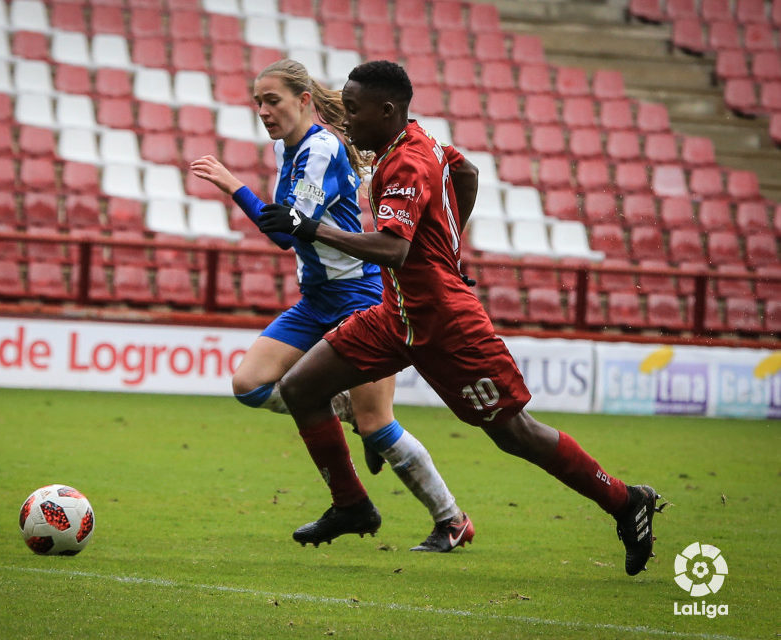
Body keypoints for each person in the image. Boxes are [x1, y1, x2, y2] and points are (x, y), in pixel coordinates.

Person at [256, 60, 661, 575]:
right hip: (396, 315)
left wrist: (309, 227)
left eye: (354, 111)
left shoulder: (404, 162)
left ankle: (627, 502)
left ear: (387, 111)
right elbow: (466, 172)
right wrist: (450, 248)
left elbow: (392, 250)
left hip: (447, 325)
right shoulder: (419, 140)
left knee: (517, 435)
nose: (347, 121)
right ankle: (352, 505)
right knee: (300, 388)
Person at [190, 59, 473, 552]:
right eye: (257, 102)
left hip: (359, 299)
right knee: (249, 384)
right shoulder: (291, 148)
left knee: (378, 424)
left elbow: (287, 229)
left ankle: (451, 519)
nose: (263, 111)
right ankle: (349, 464)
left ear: (303, 100)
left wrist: (232, 185)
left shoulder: (319, 148)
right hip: (316, 300)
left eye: (272, 100)